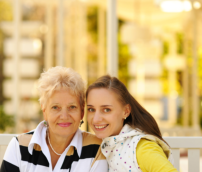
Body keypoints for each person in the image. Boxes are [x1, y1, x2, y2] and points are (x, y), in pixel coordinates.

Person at [0, 66, 108, 172]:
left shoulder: (96, 148)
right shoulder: (18, 147)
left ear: (82, 112)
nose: (64, 116)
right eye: (55, 107)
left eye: (72, 107)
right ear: (45, 111)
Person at [86, 75, 178, 172]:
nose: (96, 119)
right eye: (91, 109)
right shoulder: (105, 145)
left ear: (125, 111)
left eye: (106, 110)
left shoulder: (142, 148)